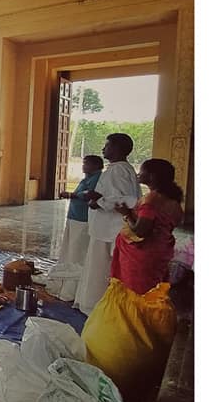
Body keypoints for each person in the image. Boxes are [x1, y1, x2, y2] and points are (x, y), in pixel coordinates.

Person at [73, 133, 140, 314]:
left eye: (107, 145)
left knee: (100, 268)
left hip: (109, 230)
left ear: (118, 149)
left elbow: (126, 200)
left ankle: (96, 307)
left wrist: (98, 200)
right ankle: (98, 306)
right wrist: (99, 200)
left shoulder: (119, 170)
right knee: (99, 267)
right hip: (106, 228)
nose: (104, 149)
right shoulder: (118, 169)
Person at [111, 159, 184, 296]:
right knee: (153, 291)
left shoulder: (151, 201)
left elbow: (141, 231)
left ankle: (136, 317)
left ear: (152, 176)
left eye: (142, 171)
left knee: (136, 294)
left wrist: (126, 214)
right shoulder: (173, 200)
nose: (138, 174)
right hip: (161, 250)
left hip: (142, 256)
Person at [56, 155, 104, 266]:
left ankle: (76, 269)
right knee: (71, 244)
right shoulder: (88, 178)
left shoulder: (97, 178)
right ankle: (68, 266)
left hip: (83, 218)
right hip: (75, 216)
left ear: (96, 166)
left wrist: (71, 195)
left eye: (86, 163)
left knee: (78, 246)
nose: (83, 166)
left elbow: (89, 194)